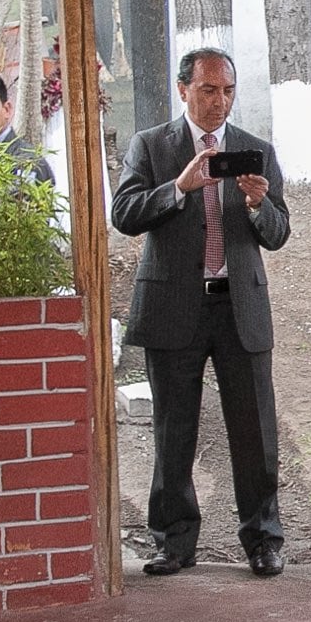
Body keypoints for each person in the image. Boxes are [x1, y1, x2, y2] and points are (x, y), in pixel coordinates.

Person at [111, 49, 290, 577]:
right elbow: (124, 214)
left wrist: (259, 206)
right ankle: (174, 541)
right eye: (209, 90)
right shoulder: (151, 145)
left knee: (255, 433)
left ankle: (263, 540)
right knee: (173, 431)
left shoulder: (255, 150)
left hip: (240, 308)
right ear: (183, 89)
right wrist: (179, 187)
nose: (220, 101)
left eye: (229, 90)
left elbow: (279, 234)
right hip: (173, 306)